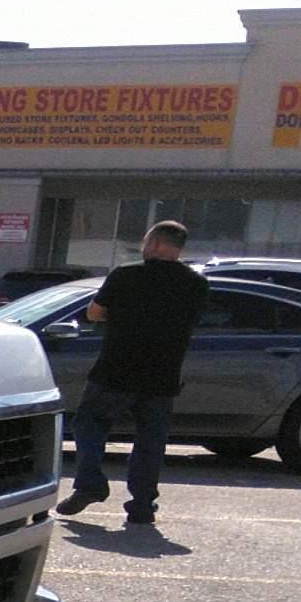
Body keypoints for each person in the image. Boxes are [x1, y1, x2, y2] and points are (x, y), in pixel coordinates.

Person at [56, 219, 209, 526]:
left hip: (116, 370)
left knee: (89, 425)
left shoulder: (126, 275)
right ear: (178, 248)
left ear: (153, 243)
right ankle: (142, 504)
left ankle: (90, 484)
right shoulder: (196, 283)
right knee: (151, 441)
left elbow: (94, 312)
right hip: (163, 375)